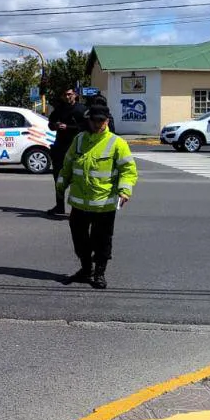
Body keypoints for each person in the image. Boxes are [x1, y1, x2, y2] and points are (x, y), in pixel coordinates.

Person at [55, 97, 137, 289]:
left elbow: (128, 170)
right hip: (79, 203)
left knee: (101, 241)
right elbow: (67, 164)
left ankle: (99, 273)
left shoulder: (117, 143)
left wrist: (125, 190)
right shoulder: (79, 140)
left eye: (102, 120)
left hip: (104, 204)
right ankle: (85, 270)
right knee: (80, 240)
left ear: (107, 121)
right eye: (95, 120)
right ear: (89, 120)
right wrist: (61, 184)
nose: (98, 124)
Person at [45, 87, 89, 218]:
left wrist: (68, 127)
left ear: (75, 95)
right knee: (58, 178)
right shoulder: (60, 108)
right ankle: (59, 206)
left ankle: (78, 208)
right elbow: (50, 124)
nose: (67, 96)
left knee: (77, 179)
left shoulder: (81, 109)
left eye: (69, 94)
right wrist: (55, 125)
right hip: (60, 148)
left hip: (76, 147)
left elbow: (86, 127)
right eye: (65, 94)